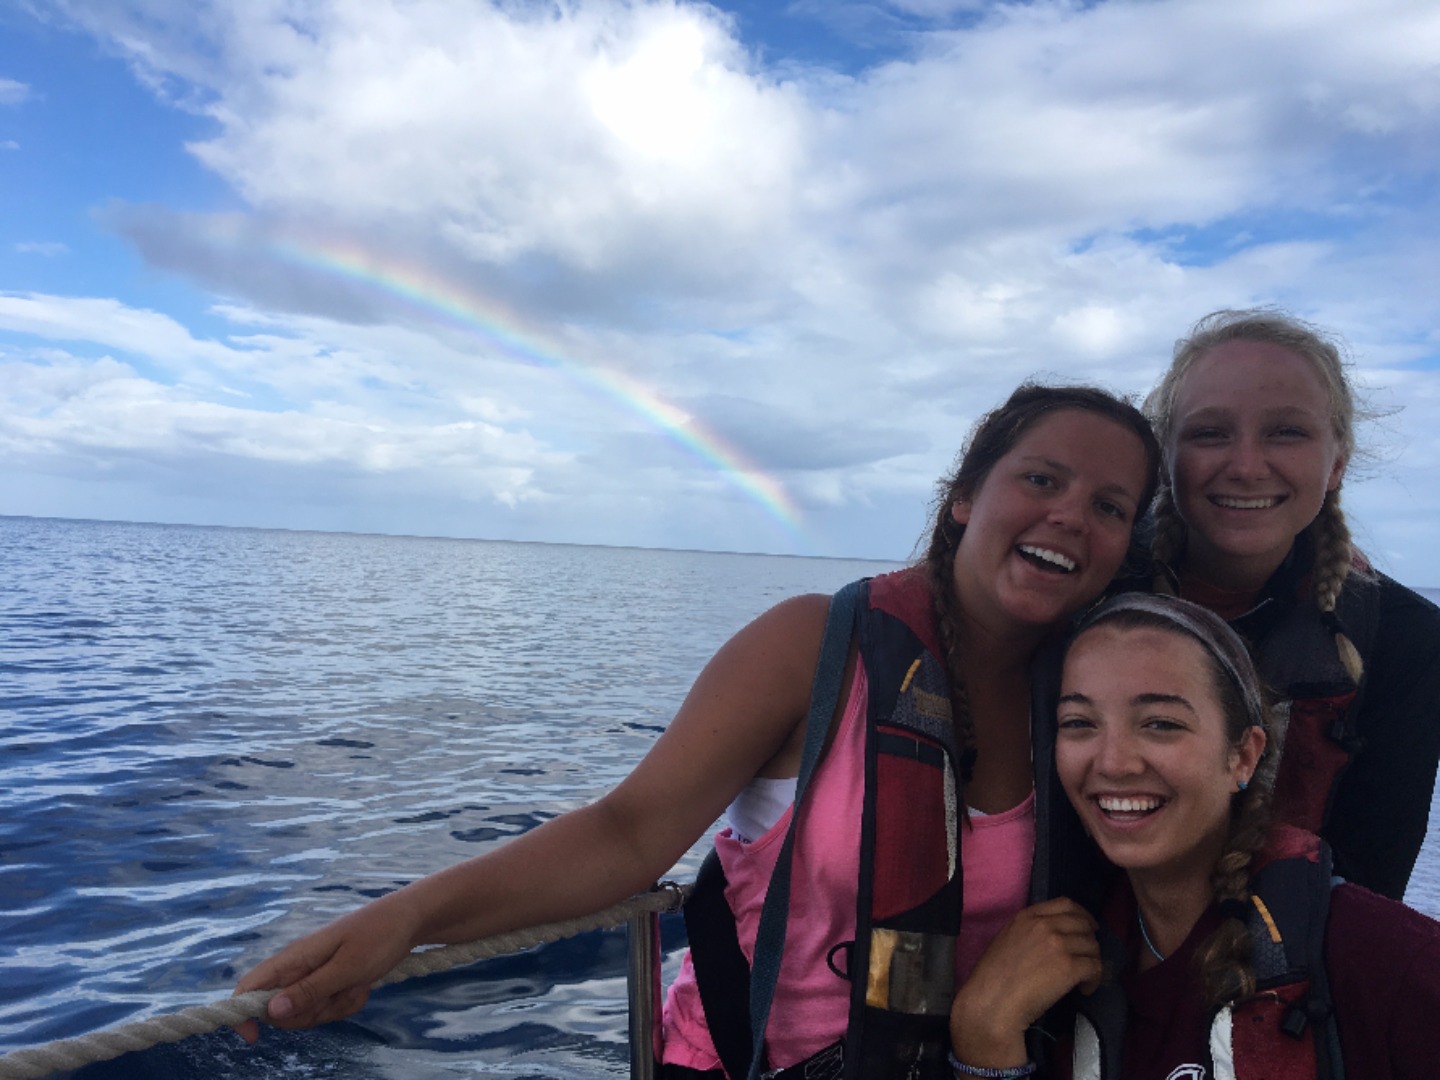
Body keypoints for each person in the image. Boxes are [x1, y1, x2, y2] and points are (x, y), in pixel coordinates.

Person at [233, 382, 1162, 1079]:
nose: (1069, 516)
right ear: (964, 496)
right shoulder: (814, 646)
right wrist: (403, 922)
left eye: (1110, 506)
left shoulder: (1085, 709)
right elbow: (628, 832)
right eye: (1041, 478)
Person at [947, 592, 1440, 1080]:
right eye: (1079, 723)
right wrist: (984, 1037)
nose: (1114, 762)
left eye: (1161, 724)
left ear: (1243, 757)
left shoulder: (1379, 959)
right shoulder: (1064, 969)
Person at [1142, 309, 1440, 899]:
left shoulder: (1401, 639)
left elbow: (1367, 891)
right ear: (1165, 458)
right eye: (1210, 433)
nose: (1246, 466)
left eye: (1286, 432)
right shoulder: (1091, 591)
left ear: (1336, 462)